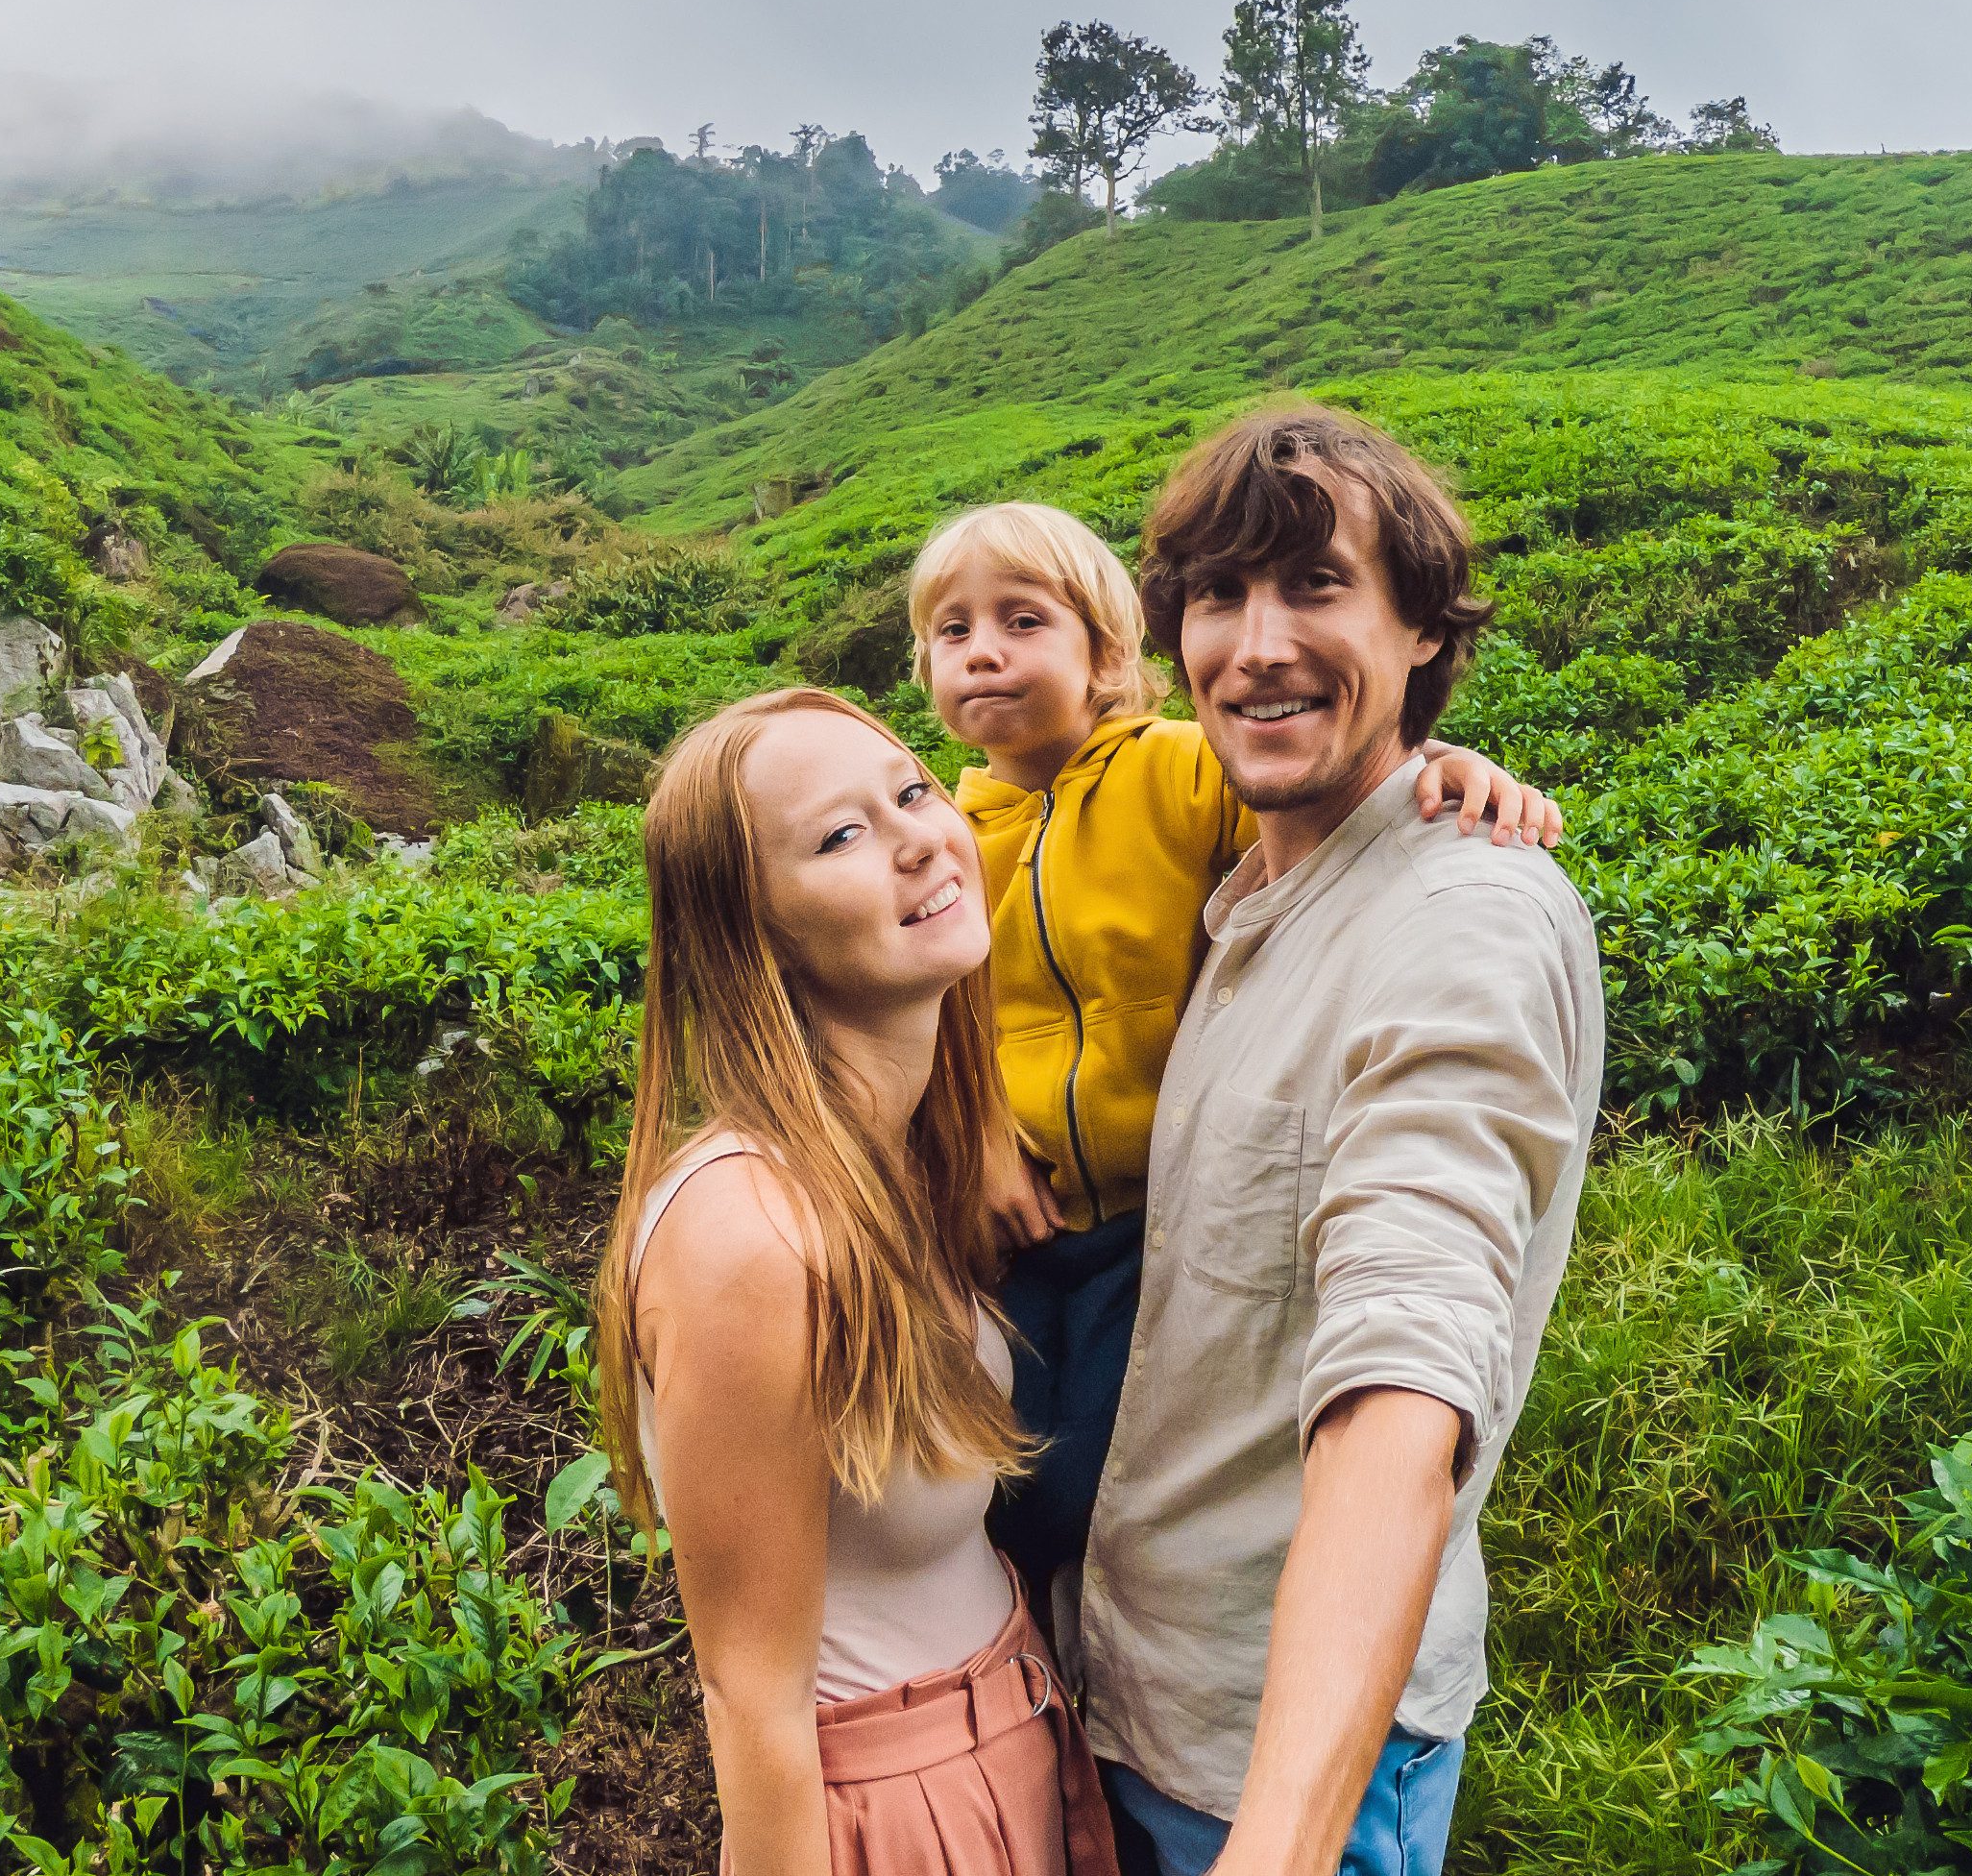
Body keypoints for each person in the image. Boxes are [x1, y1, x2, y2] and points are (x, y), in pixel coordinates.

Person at [1077, 410, 1604, 1876]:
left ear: (1424, 624)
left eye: (1317, 586)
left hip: (1280, 1767)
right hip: (1131, 1693)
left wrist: (1284, 1843)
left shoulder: (1462, 925)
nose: (1255, 643)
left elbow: (1405, 1371)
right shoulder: (1235, 891)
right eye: (1219, 595)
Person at [904, 502, 1562, 1629]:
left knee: (1086, 1485)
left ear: (1108, 654)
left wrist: (1450, 767)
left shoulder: (1178, 767)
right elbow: (928, 1010)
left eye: (1022, 620)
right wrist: (971, 1135)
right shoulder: (949, 828)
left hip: (1152, 1221)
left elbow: (1329, 779)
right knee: (987, 1475)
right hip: (1019, 1225)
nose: (984, 650)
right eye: (951, 630)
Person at [596, 687, 1115, 1876]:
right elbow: (752, 1696)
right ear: (757, 931)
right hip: (891, 1805)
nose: (921, 835)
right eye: (840, 835)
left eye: (912, 791)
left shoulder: (901, 1160)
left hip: (1012, 1735)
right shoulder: (751, 1231)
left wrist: (1413, 774)